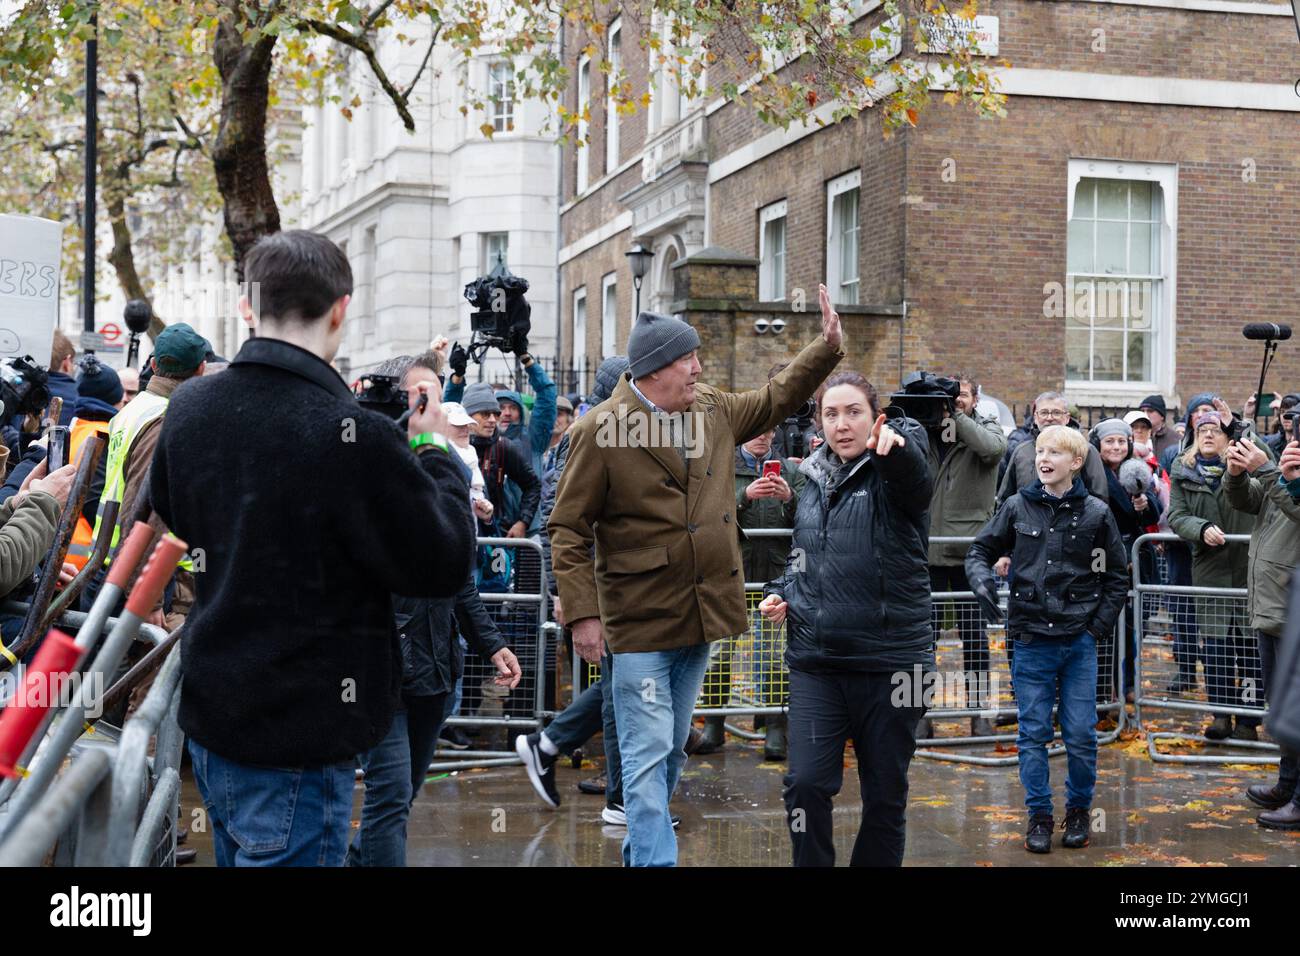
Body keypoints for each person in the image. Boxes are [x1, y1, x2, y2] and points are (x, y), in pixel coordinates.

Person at [150, 229, 477, 867]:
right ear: (340, 309)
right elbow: (441, 561)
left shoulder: (189, 407)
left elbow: (175, 511)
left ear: (249, 307)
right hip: (300, 732)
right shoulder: (346, 433)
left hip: (217, 714)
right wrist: (435, 450)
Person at [549, 286, 843, 867]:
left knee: (672, 751)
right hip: (638, 622)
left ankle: (642, 852)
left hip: (702, 613)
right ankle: (657, 861)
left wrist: (826, 347)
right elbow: (567, 528)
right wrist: (583, 614)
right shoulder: (600, 431)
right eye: (690, 359)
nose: (699, 368)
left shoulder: (709, 408)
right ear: (657, 368)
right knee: (647, 749)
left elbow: (774, 399)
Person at [348, 360, 522, 867]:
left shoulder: (442, 462)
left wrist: (493, 643)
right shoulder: (362, 461)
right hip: (378, 668)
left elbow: (456, 575)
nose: (434, 408)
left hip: (435, 667)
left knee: (400, 796)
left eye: (437, 395)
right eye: (421, 395)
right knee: (389, 792)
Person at [758, 371, 931, 866]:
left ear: (875, 418)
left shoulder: (896, 465)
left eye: (853, 411)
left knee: (885, 793)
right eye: (831, 414)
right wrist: (780, 591)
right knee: (805, 786)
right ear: (819, 422)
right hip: (819, 661)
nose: (842, 423)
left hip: (897, 663)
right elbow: (804, 554)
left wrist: (893, 450)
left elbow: (917, 483)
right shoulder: (810, 477)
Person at [966, 424, 1128, 854]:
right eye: (1040, 450)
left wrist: (1096, 629)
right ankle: (1038, 815)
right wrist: (980, 578)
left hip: (1079, 643)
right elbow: (979, 550)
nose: (1044, 458)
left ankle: (1078, 811)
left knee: (1080, 733)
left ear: (1075, 462)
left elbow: (1117, 577)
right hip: (1031, 640)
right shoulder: (1018, 506)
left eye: (1055, 452)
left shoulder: (1096, 512)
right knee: (1032, 733)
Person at [696, 426, 804, 759]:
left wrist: (789, 499)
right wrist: (744, 498)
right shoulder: (721, 465)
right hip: (731, 577)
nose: (764, 437)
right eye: (756, 431)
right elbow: (707, 516)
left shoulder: (791, 470)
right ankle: (714, 724)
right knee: (717, 657)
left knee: (773, 660)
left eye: (770, 431)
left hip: (775, 576)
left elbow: (808, 519)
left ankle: (774, 727)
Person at [1165, 411, 1261, 741]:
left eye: (1215, 430)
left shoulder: (1242, 462)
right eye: (1201, 430)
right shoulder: (1183, 471)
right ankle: (1220, 715)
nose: (1208, 434)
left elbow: (1268, 468)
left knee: (1250, 651)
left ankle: (1249, 720)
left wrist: (1241, 428)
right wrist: (1201, 528)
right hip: (1210, 570)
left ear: (1227, 437)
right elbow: (1176, 515)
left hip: (1248, 568)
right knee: (1217, 650)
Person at [920, 373, 1006, 740]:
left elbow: (992, 449)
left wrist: (957, 417)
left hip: (969, 551)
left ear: (974, 398)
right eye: (949, 397)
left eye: (962, 395)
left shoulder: (982, 426)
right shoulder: (923, 429)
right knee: (924, 636)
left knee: (974, 636)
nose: (954, 401)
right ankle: (919, 712)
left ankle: (978, 713)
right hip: (927, 550)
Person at [1224, 434, 1300, 829]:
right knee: (1284, 708)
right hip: (1272, 606)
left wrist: (1268, 471)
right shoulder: (1286, 470)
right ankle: (1288, 785)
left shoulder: (1284, 474)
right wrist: (1236, 475)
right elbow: (1247, 501)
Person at [1092, 417, 1164, 704]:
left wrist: (1144, 504)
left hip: (1137, 560)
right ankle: (1105, 690)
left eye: (1121, 441)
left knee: (1134, 627)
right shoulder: (1091, 471)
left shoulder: (1135, 470)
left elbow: (1153, 512)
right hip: (1105, 559)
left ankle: (1128, 684)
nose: (1116, 446)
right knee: (1107, 627)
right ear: (1098, 445)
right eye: (1109, 441)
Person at [997, 392, 1108, 506]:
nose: (1049, 418)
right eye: (1044, 413)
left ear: (1066, 418)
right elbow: (1005, 498)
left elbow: (1098, 499)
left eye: (1056, 413)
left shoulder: (1086, 450)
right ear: (1035, 417)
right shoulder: (1021, 451)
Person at [62, 357, 121, 572]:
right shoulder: (103, 435)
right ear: (115, 398)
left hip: (59, 554)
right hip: (85, 558)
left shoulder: (72, 429)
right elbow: (93, 500)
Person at [1138, 394, 1180, 461]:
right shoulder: (1137, 436)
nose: (1145, 414)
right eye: (1142, 411)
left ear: (1162, 416)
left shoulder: (1176, 439)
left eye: (1150, 411)